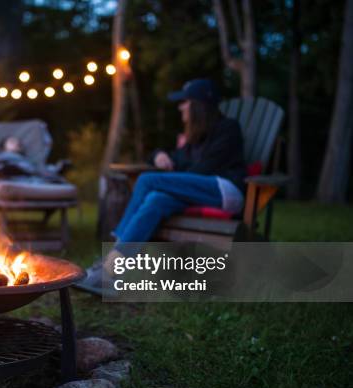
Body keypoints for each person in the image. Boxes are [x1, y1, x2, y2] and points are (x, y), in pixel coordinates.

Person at [79, 78, 247, 291]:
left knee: (148, 180)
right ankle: (112, 271)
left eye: (184, 102)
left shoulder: (228, 129)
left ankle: (113, 252)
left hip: (226, 191)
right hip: (197, 192)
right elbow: (173, 161)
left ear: (198, 105)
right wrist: (159, 155)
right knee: (156, 199)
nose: (180, 107)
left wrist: (173, 174)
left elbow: (202, 170)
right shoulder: (195, 139)